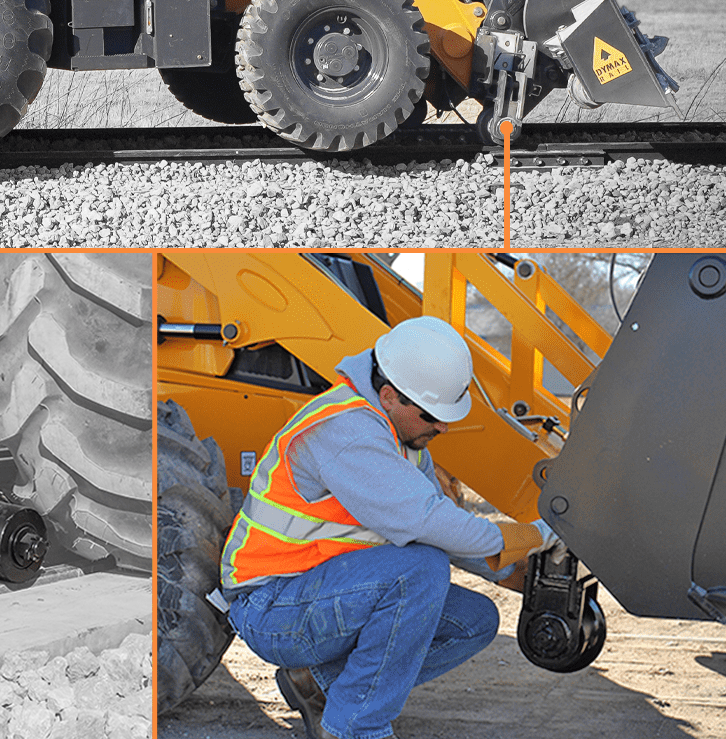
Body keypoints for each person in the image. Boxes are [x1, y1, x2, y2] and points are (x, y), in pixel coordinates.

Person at [215, 316, 556, 739]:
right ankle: (356, 727)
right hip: (270, 603)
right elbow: (426, 522)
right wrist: (531, 535)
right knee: (420, 569)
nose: (443, 427)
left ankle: (322, 684)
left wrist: (517, 575)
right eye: (432, 414)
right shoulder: (347, 431)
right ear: (390, 395)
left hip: (322, 592)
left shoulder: (401, 437)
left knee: (475, 620)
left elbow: (442, 531)